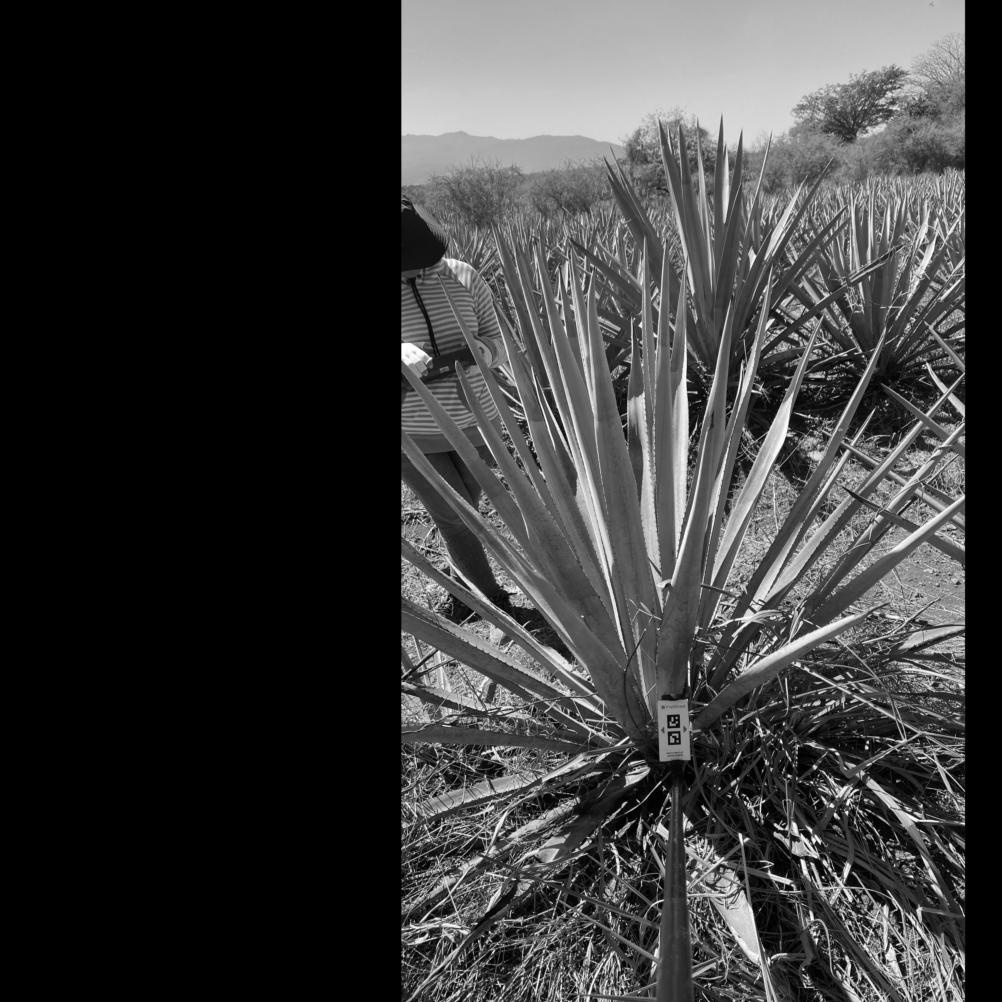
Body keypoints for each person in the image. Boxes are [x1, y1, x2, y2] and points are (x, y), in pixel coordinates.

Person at [400, 196, 519, 627]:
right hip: (413, 430)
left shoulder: (463, 276)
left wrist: (481, 352)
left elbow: (500, 340)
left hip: (477, 420)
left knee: (469, 507)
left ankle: (458, 584)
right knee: (455, 516)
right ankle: (490, 604)